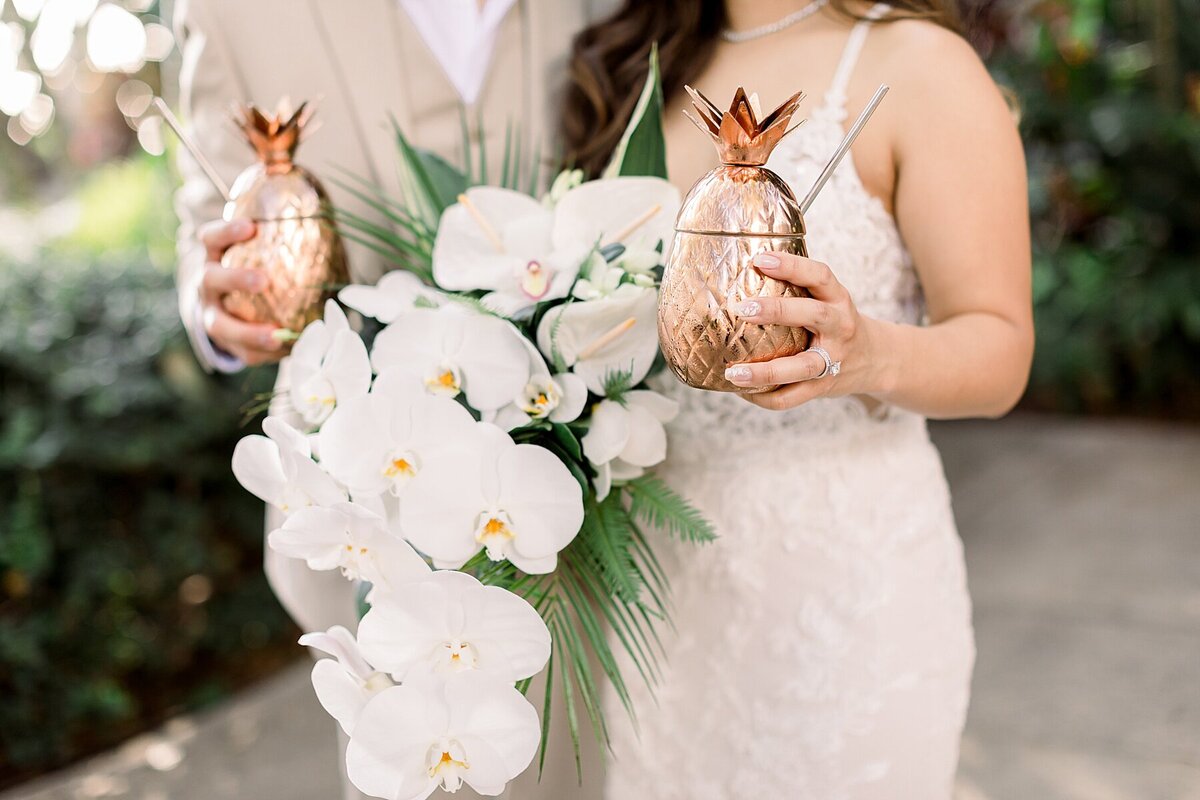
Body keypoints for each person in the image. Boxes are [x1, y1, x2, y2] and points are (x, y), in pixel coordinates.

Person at [557, 0, 1032, 797]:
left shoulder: (918, 66)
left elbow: (1001, 348)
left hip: (845, 603)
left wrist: (868, 355)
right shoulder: (633, 61)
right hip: (657, 602)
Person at [171, 1, 613, 797]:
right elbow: (209, 221)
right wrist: (214, 309)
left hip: (593, 487)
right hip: (374, 517)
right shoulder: (224, 10)